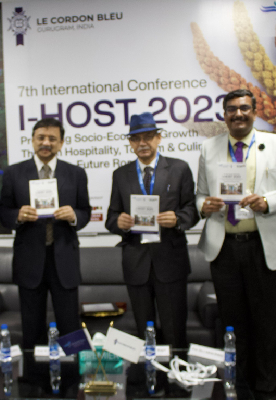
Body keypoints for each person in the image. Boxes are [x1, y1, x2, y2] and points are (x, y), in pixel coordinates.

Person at [196, 89, 276, 400]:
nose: (238, 114)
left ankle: (267, 388)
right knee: (233, 324)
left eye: (244, 108)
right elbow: (200, 194)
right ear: (224, 115)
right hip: (224, 248)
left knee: (266, 323)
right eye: (232, 109)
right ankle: (238, 387)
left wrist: (267, 201)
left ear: (255, 113)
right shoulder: (209, 148)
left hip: (263, 246)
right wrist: (205, 205)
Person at [105, 112, 199, 348]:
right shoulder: (121, 175)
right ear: (130, 143)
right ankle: (148, 371)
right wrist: (119, 222)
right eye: (136, 139)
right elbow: (111, 217)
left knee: (174, 330)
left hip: (170, 260)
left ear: (158, 138)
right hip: (136, 262)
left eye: (148, 137)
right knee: (143, 332)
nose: (142, 143)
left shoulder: (179, 168)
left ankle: (177, 371)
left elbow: (192, 209)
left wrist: (177, 218)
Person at [0, 118, 91, 349]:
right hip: (29, 260)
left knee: (70, 328)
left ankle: (71, 371)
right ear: (32, 141)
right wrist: (18, 215)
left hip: (64, 259)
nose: (46, 143)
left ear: (61, 143)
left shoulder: (76, 174)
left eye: (52, 138)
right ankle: (34, 372)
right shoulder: (13, 173)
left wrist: (74, 215)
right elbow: (4, 213)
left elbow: (86, 212)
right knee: (32, 329)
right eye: (41, 138)